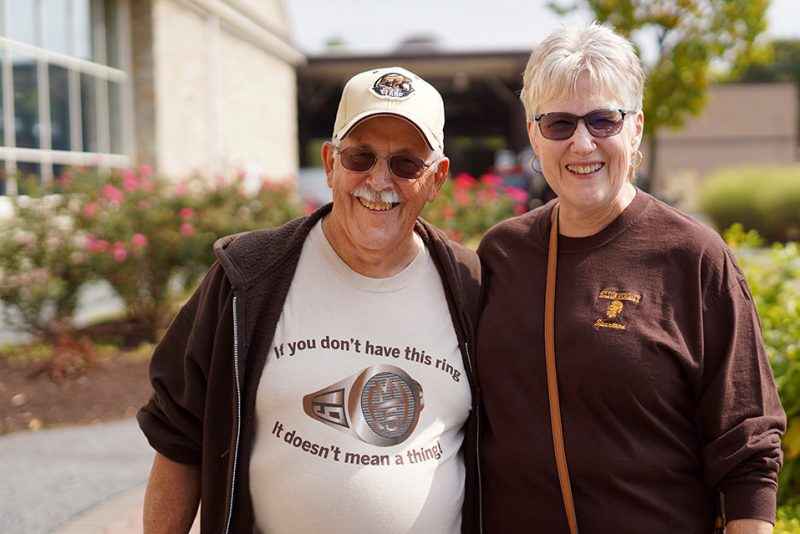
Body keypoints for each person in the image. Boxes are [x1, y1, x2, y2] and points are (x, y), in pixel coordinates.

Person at [137, 66, 481, 533]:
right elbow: (179, 440)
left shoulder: (469, 288)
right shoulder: (247, 278)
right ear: (330, 163)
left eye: (405, 164)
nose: (379, 180)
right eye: (360, 157)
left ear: (437, 179)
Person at [476, 23, 785, 534]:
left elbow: (747, 445)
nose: (581, 143)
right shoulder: (501, 254)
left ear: (635, 128)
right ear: (533, 132)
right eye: (558, 124)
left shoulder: (693, 257)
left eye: (603, 120)